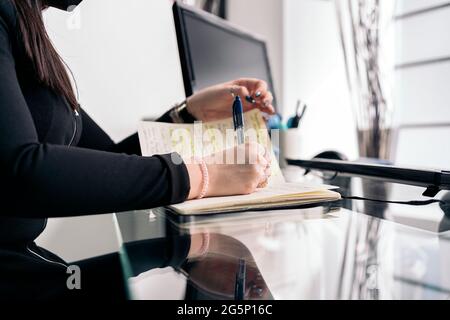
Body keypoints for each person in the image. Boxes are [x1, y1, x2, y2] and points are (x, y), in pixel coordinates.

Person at [0, 0, 275, 300]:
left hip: (34, 270)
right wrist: (201, 175)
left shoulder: (25, 29)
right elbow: (19, 172)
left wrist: (189, 112)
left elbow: (111, 158)